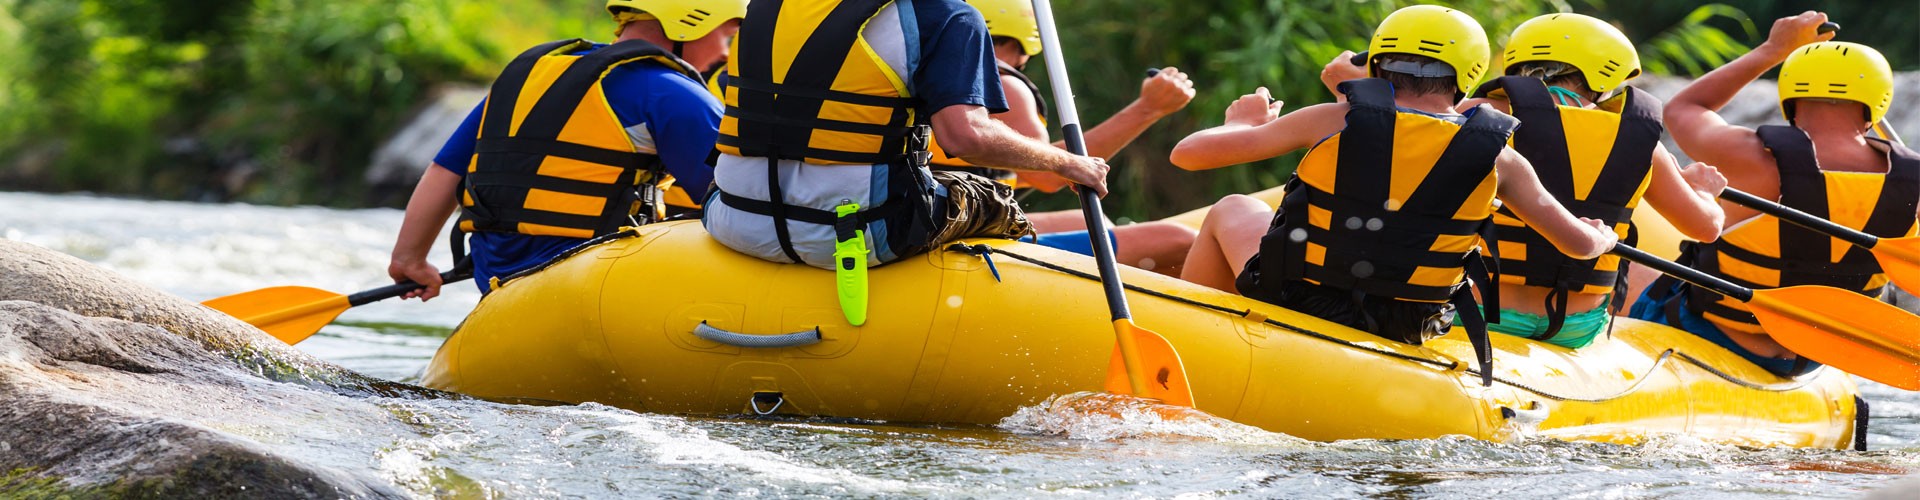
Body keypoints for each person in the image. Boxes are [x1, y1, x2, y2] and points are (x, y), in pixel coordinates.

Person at [1169, 5, 1617, 353]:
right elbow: (1577, 245)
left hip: (1300, 298)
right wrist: (1600, 238)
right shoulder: (1500, 159)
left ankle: (1192, 336)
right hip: (1407, 323)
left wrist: (1240, 123)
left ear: (1377, 65)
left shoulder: (1332, 119)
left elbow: (1187, 156)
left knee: (1233, 207)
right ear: (1470, 74)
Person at [1320, 13, 1727, 349]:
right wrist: (1704, 192)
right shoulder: (1641, 142)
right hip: (1577, 326)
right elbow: (1706, 228)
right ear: (1608, 78)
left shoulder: (1477, 119)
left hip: (1477, 312)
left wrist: (1346, 91)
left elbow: (1382, 142)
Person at [702, 0, 1109, 271]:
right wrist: (1069, 163)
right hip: (857, 233)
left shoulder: (769, 4)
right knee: (995, 201)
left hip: (732, 217)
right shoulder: (947, 14)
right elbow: (965, 138)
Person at [387, 0, 744, 299]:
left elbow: (445, 171)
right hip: (596, 284)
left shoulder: (528, 77)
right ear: (688, 25)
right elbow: (740, 203)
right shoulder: (673, 93)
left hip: (500, 287)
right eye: (726, 37)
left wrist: (410, 259)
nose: (727, 55)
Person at [1635, 12, 1918, 377]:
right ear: (1878, 101)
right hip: (1816, 355)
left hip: (1714, 332)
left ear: (1791, 96)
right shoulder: (1914, 181)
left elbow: (1683, 109)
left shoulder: (1747, 153)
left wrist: (1773, 49)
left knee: (1635, 264)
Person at [927, 0, 1198, 275]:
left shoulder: (934, 76)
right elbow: (1049, 177)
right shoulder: (1005, 85)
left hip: (945, 219)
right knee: (1179, 240)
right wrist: (1148, 108)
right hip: (962, 238)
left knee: (1091, 220)